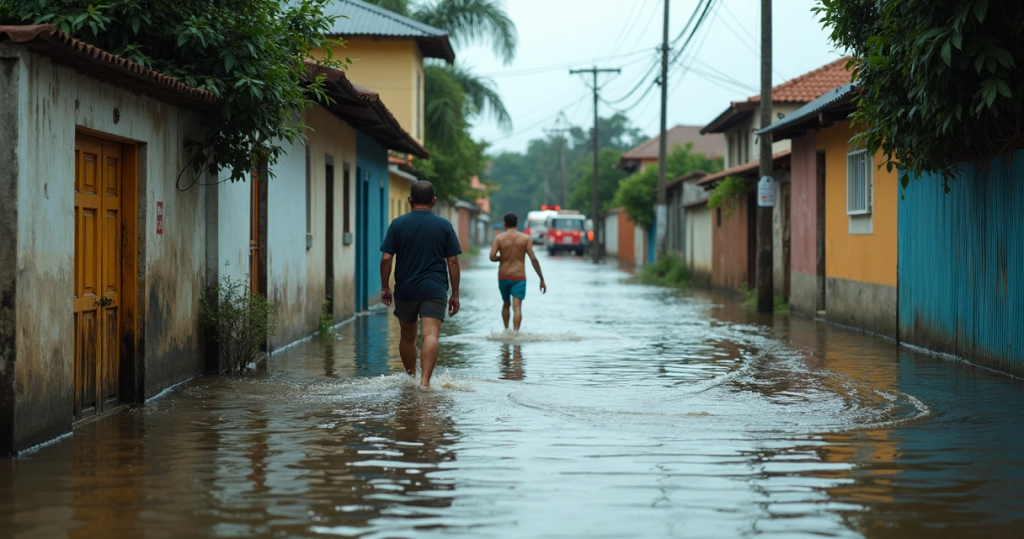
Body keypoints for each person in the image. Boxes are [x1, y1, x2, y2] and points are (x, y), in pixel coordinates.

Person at [380, 181, 461, 389]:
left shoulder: (397, 224)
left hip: (406, 289)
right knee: (431, 334)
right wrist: (455, 294)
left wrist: (385, 287)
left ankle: (411, 378)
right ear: (434, 201)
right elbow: (452, 261)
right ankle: (425, 383)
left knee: (407, 336)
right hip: (435, 289)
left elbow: (386, 258)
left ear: (410, 200)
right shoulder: (444, 225)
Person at [489, 212, 546, 331]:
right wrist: (541, 279)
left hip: (503, 276)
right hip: (519, 276)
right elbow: (533, 259)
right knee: (517, 307)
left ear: (504, 223)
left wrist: (503, 257)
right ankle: (516, 334)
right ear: (517, 223)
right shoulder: (525, 238)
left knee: (506, 304)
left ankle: (506, 331)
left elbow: (492, 256)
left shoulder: (499, 238)